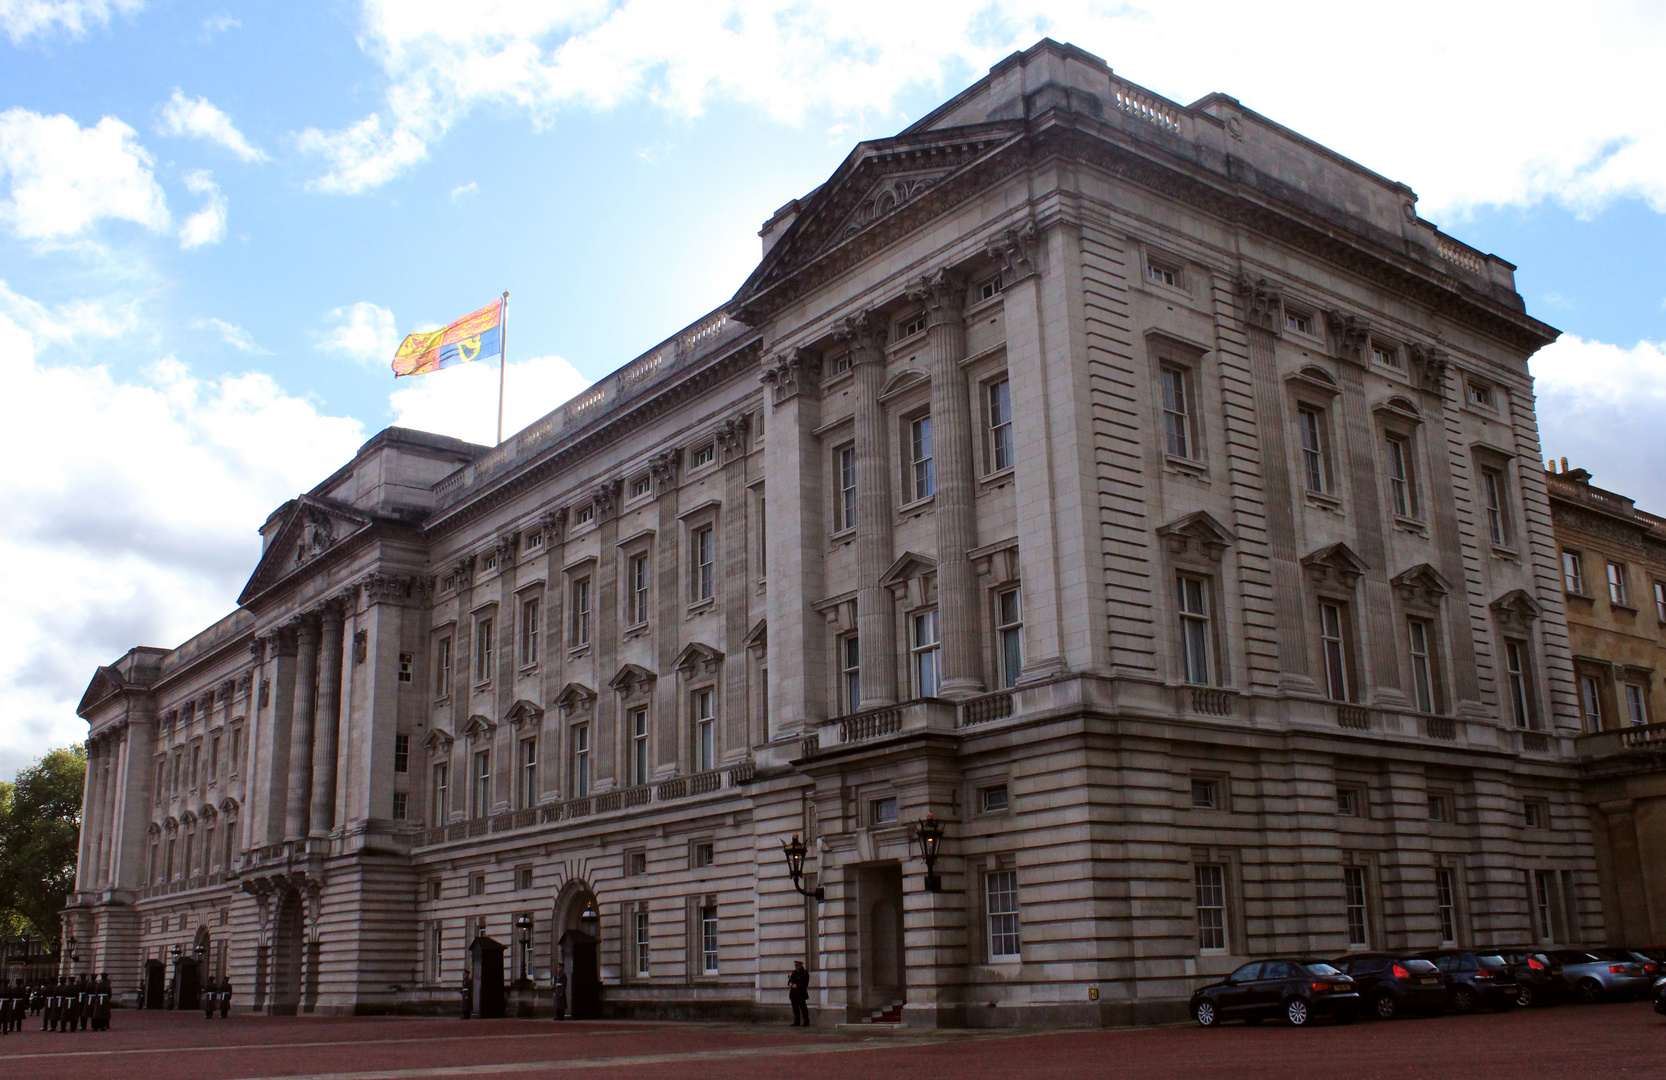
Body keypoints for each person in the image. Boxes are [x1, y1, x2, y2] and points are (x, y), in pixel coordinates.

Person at [788, 960, 810, 1027]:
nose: (796, 967)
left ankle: (806, 1021)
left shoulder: (805, 973)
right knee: (795, 1009)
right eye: (796, 966)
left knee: (803, 1008)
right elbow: (790, 981)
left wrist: (797, 985)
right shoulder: (794, 973)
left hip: (801, 994)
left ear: (801, 965)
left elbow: (805, 984)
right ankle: (797, 1021)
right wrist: (790, 984)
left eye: (797, 966)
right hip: (794, 994)